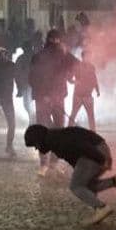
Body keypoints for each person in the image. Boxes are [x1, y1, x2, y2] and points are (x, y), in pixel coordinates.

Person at [24, 124, 116, 226]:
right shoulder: (54, 139)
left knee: (76, 186)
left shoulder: (56, 139)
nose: (36, 148)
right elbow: (74, 158)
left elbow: (82, 146)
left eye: (35, 145)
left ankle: (101, 208)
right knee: (84, 186)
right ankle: (115, 181)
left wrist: (101, 159)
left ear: (39, 139)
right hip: (97, 151)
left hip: (95, 152)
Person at [29, 29, 79, 175]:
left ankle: (49, 163)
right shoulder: (43, 56)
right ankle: (47, 163)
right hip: (47, 98)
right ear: (56, 40)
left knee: (53, 130)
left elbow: (76, 66)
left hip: (53, 97)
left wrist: (71, 77)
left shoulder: (59, 55)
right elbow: (33, 78)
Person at [69, 50, 100, 131]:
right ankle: (68, 132)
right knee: (73, 114)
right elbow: (69, 78)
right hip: (78, 96)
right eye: (87, 56)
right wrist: (74, 82)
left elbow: (94, 79)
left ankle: (93, 133)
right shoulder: (77, 66)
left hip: (88, 95)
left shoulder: (92, 67)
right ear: (83, 57)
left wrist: (97, 90)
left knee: (91, 116)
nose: (89, 58)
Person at [14, 41, 35, 123]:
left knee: (28, 104)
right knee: (27, 104)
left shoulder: (34, 57)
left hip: (30, 84)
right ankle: (32, 119)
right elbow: (17, 73)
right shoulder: (21, 58)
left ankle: (33, 120)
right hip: (27, 84)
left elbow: (17, 74)